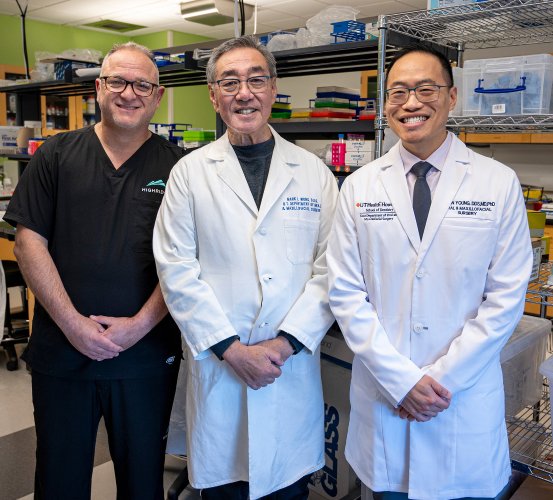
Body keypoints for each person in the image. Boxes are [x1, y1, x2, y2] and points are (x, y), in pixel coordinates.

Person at [327, 45, 533, 500]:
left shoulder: (497, 183)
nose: (411, 103)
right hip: (386, 401)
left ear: (452, 97)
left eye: (426, 89)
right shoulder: (360, 185)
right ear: (385, 105)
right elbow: (344, 291)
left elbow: (505, 298)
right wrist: (402, 382)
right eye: (398, 92)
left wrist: (439, 383)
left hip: (459, 402)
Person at [153, 35, 338, 499]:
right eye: (229, 82)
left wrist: (286, 342)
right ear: (213, 95)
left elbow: (333, 267)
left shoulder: (313, 172)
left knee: (287, 487)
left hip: (287, 367)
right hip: (221, 366)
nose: (244, 92)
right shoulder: (190, 173)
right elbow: (175, 267)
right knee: (224, 487)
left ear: (274, 88)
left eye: (256, 79)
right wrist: (231, 349)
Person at [4, 42, 183, 500]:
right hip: (62, 355)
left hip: (145, 356)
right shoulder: (56, 155)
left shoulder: (179, 168)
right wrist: (72, 325)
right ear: (99, 88)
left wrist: (139, 326)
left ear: (158, 96)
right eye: (118, 81)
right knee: (60, 481)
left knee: (144, 483)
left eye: (142, 84)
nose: (129, 93)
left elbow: (188, 259)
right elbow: (29, 241)